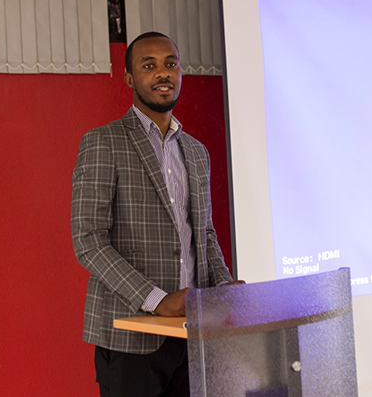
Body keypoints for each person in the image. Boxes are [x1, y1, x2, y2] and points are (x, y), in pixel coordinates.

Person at [71, 32, 243, 397]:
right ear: (130, 78)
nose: (163, 73)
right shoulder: (103, 142)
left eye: (171, 64)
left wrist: (223, 288)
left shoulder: (196, 152)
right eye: (149, 66)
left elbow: (205, 234)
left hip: (191, 334)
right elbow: (88, 241)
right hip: (130, 337)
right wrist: (157, 300)